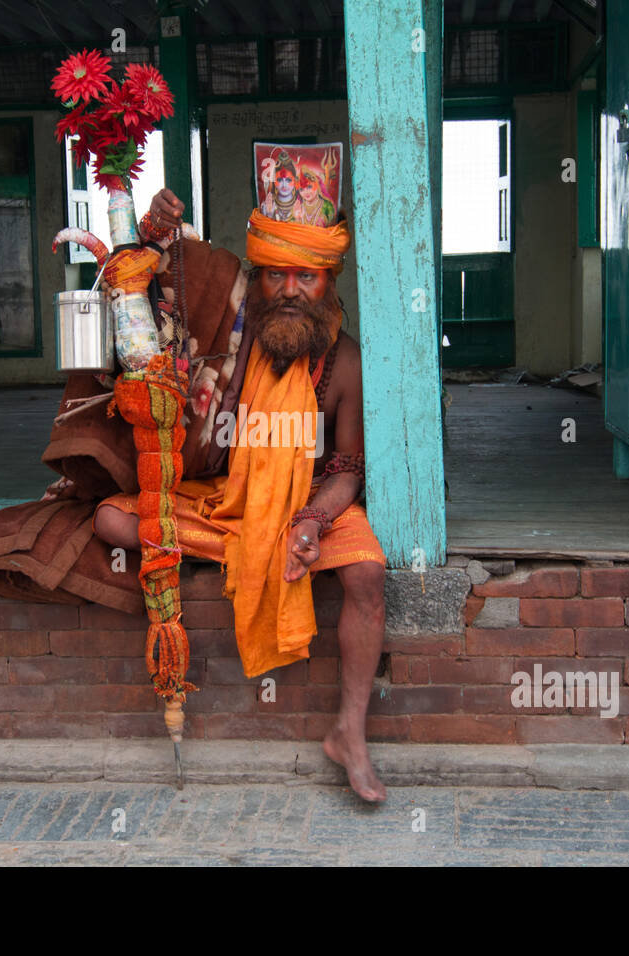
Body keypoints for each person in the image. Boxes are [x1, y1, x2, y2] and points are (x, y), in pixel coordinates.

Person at [92, 186, 389, 803]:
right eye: (275, 273)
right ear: (256, 277)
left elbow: (348, 468)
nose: (288, 288)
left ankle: (349, 734)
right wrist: (155, 228)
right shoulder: (227, 335)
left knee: (365, 574)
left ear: (327, 281)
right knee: (112, 522)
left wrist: (311, 520)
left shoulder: (345, 362)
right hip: (226, 502)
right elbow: (154, 282)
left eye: (305, 276)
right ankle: (241, 551)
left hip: (305, 510)